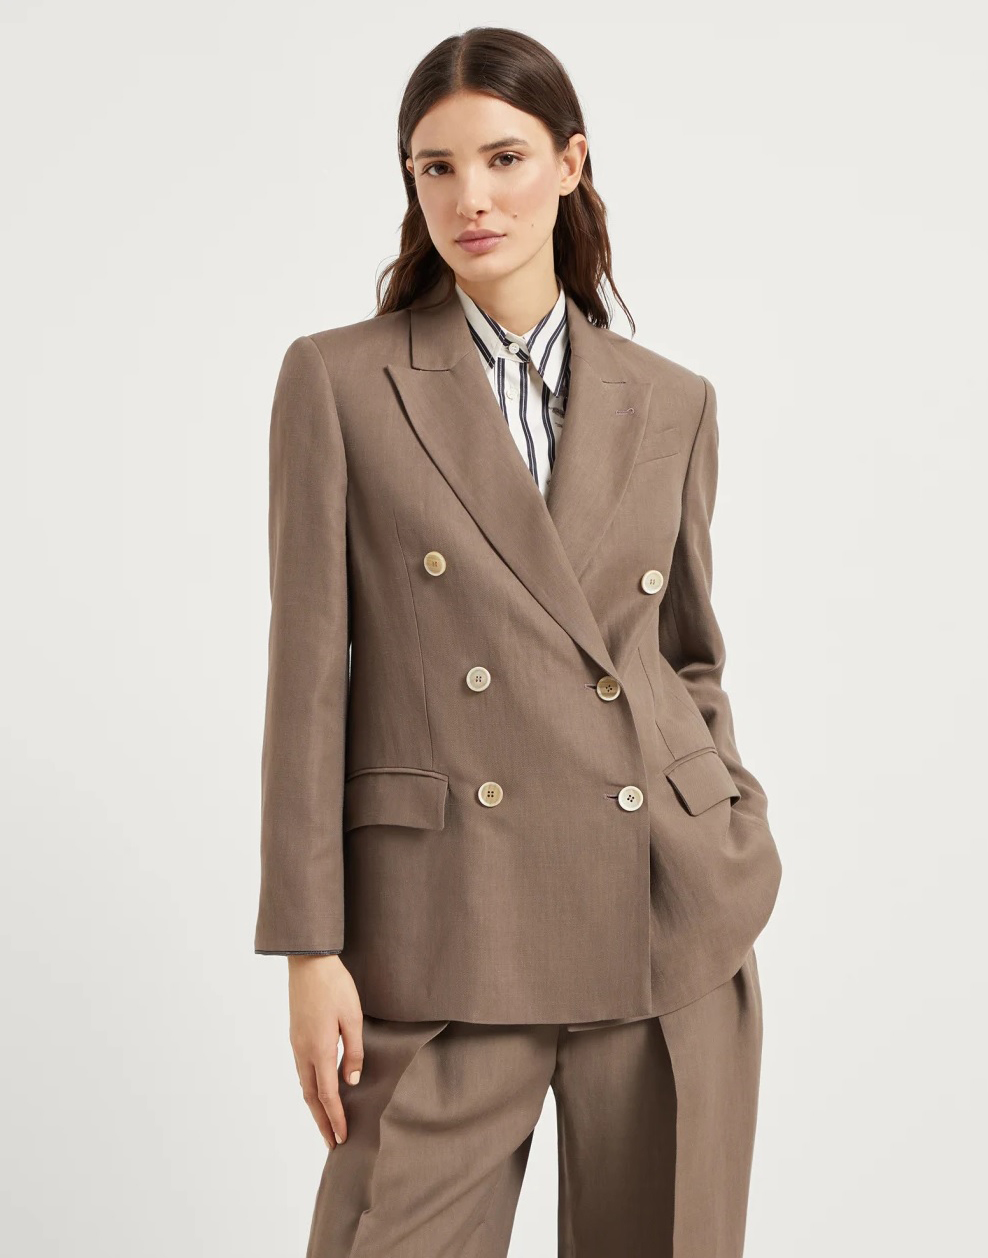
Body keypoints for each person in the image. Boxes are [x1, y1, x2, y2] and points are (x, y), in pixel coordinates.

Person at [254, 25, 782, 1258]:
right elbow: (308, 677)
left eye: (503, 158)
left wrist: (724, 818)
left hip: (661, 916)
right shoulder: (341, 382)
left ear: (569, 164)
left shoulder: (671, 400)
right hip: (444, 928)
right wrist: (308, 946)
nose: (470, 199)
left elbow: (687, 654)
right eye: (435, 168)